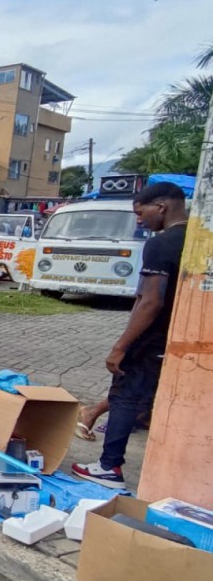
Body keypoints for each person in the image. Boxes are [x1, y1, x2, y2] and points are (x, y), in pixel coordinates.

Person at [71, 182, 189, 490]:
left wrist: (121, 345)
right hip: (180, 337)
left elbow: (151, 301)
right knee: (149, 398)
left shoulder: (161, 244)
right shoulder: (197, 241)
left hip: (150, 338)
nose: (139, 220)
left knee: (125, 395)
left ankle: (109, 467)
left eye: (140, 213)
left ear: (161, 207)